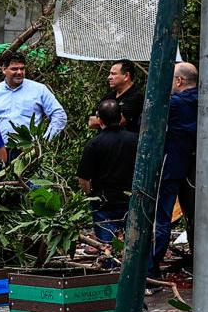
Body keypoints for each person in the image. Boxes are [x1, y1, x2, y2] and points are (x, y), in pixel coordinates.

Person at [153, 61, 200, 272]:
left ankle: (151, 266)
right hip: (196, 168)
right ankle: (198, 262)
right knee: (194, 216)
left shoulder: (173, 105)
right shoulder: (206, 101)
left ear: (179, 81)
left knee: (161, 216)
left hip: (171, 165)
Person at [77, 99, 138, 246]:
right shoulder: (135, 140)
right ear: (120, 116)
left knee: (107, 246)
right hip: (131, 198)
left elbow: (83, 178)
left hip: (103, 202)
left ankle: (112, 265)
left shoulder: (94, 144)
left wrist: (89, 194)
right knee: (134, 243)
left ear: (99, 119)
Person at [0, 53, 67, 140]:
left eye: (22, 68)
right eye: (14, 69)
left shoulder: (39, 90)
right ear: (4, 69)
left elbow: (59, 115)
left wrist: (45, 141)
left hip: (29, 150)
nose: (19, 72)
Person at [105, 59, 145, 133]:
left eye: (113, 74)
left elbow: (120, 121)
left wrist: (100, 118)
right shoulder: (108, 96)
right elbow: (91, 122)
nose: (109, 77)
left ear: (126, 76)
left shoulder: (136, 96)